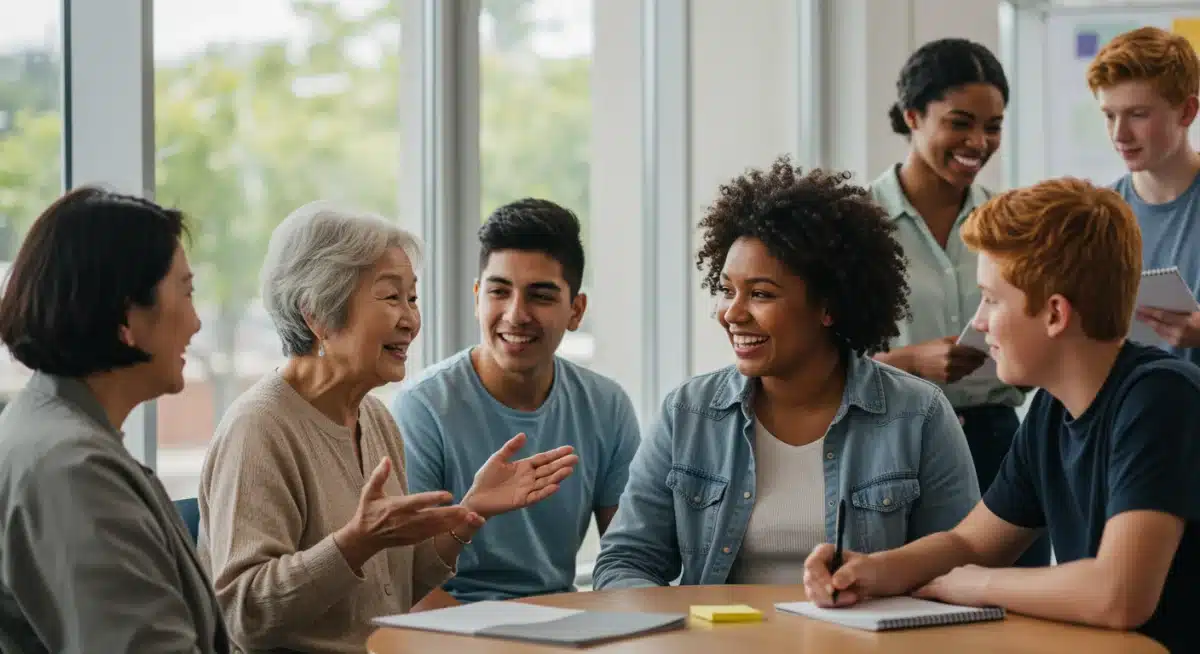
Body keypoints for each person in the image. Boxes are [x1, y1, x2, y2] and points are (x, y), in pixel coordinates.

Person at [803, 178, 1200, 653]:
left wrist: (972, 586)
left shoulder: (1160, 398)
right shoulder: (1053, 407)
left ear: (1055, 314)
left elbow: (1119, 596)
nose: (980, 323)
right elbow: (971, 544)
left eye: (991, 298)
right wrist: (872, 571)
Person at [197, 202, 579, 654]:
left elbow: (393, 589)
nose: (411, 320)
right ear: (316, 313)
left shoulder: (375, 417)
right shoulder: (258, 429)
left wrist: (470, 513)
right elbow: (241, 614)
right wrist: (352, 545)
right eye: (390, 298)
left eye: (412, 298)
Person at [592, 158, 980, 590]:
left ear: (829, 306)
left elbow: (955, 570)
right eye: (726, 290)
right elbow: (624, 563)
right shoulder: (688, 412)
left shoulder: (919, 415)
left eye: (760, 294)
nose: (732, 313)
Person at [0, 188, 229, 653]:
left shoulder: (48, 432)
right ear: (128, 315)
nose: (196, 322)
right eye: (185, 292)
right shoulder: (73, 472)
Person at [393, 198, 640, 607]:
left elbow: (629, 554)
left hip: (562, 622)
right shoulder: (423, 408)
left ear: (576, 310)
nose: (515, 314)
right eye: (499, 292)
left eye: (540, 296)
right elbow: (406, 582)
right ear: (477, 298)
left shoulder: (606, 406)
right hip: (450, 628)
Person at [868, 37, 1048, 567]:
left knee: (1020, 622)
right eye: (960, 122)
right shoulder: (857, 223)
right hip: (897, 443)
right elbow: (817, 357)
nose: (979, 141)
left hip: (1001, 447)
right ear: (913, 115)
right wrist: (907, 364)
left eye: (993, 126)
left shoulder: (1013, 222)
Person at [1089, 26, 1200, 366]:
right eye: (1109, 115)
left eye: (1138, 114)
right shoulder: (1097, 216)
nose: (1119, 134)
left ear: (1187, 112)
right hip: (1133, 413)